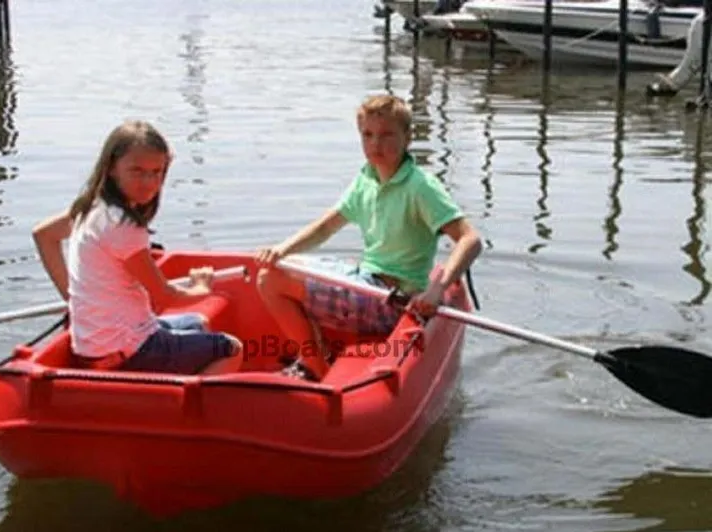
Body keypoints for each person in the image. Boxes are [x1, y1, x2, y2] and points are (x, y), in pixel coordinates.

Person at [255, 94, 482, 382]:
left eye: (387, 135)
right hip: (365, 279)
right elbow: (326, 228)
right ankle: (316, 355)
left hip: (392, 300)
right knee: (276, 268)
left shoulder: (420, 186)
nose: (376, 144)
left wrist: (437, 288)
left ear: (407, 137)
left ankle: (315, 368)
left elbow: (470, 239)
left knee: (270, 281)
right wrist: (281, 250)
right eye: (368, 135)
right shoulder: (366, 178)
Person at [32, 120, 242, 376]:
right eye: (137, 171)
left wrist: (74, 298)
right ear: (111, 168)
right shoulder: (124, 227)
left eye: (157, 172)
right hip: (129, 351)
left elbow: (44, 235)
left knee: (198, 324)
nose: (149, 182)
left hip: (98, 344)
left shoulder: (91, 208)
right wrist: (201, 288)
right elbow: (165, 296)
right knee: (231, 347)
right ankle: (185, 411)